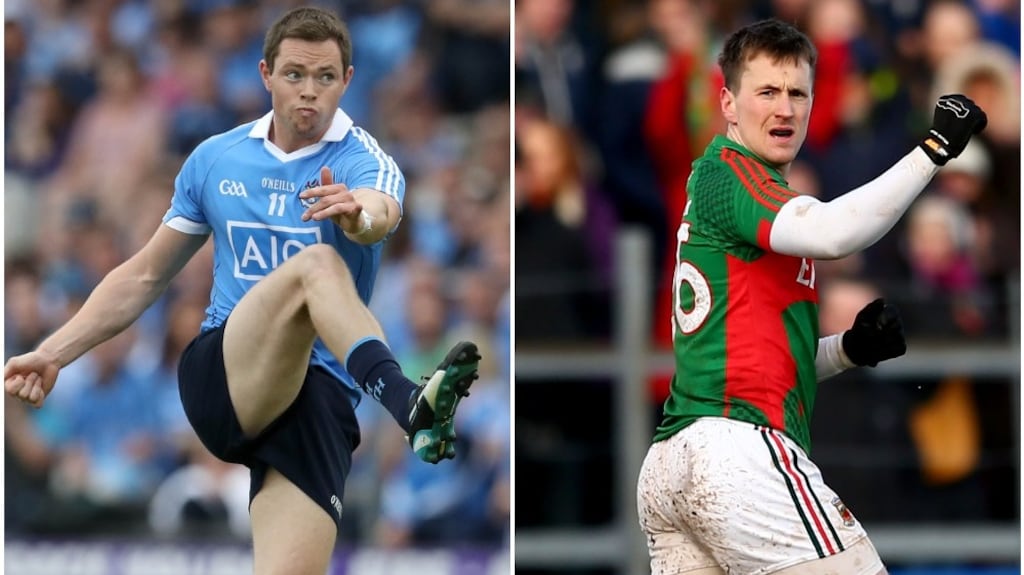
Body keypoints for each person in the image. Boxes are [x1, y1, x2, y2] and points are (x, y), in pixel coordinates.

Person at [4, 7, 481, 575]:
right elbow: (145, 274)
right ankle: (408, 403)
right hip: (227, 374)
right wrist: (54, 352)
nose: (309, 92)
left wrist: (358, 216)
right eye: (295, 75)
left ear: (348, 81)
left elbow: (381, 211)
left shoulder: (363, 159)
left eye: (326, 77)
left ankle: (410, 407)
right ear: (265, 75)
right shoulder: (216, 159)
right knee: (318, 267)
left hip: (316, 400)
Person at [635, 18, 986, 575]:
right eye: (767, 92)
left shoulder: (742, 197)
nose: (785, 108)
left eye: (797, 93)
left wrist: (847, 349)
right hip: (738, 456)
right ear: (727, 103)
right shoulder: (731, 174)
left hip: (674, 465)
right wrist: (934, 150)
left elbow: (755, 363)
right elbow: (834, 234)